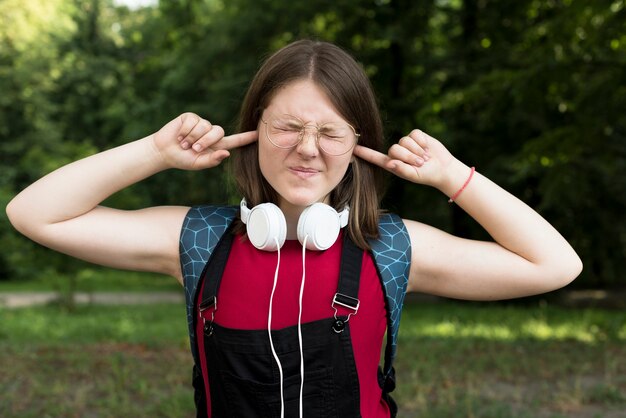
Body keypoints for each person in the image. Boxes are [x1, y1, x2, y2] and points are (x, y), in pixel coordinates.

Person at [6, 40, 582, 418]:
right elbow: (33, 213)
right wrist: (156, 152)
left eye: (331, 133)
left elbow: (555, 265)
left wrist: (455, 177)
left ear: (357, 145)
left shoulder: (390, 247)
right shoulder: (198, 240)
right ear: (253, 130)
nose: (307, 150)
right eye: (286, 127)